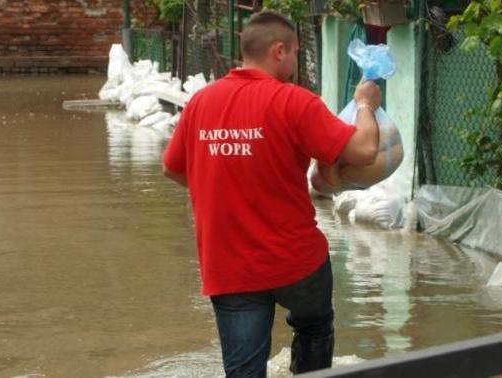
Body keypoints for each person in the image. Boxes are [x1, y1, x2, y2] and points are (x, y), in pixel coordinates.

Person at [163, 10, 381, 377]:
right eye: (295, 53)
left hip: (228, 265)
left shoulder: (201, 103)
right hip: (296, 262)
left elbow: (172, 167)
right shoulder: (295, 102)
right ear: (280, 51)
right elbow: (364, 150)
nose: (296, 62)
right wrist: (364, 104)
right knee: (314, 327)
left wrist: (222, 186)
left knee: (244, 370)